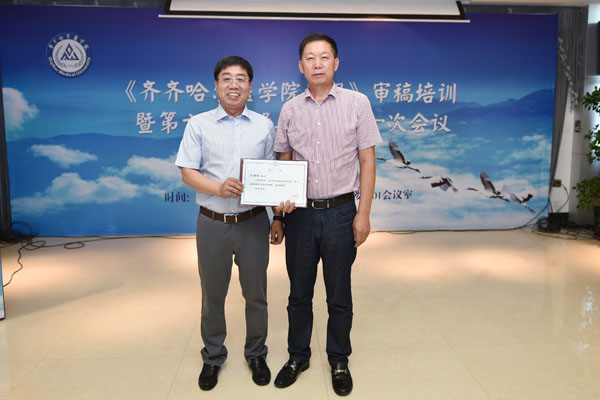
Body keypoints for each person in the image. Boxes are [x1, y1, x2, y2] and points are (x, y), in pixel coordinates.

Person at [273, 33, 382, 396]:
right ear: (300, 65)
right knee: (298, 293)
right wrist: (279, 213)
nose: (317, 64)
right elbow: (284, 162)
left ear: (336, 63)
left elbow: (367, 161)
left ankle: (339, 359)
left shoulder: (357, 103)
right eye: (310, 58)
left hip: (340, 213)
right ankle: (297, 356)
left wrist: (363, 214)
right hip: (301, 215)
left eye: (324, 57)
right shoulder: (290, 108)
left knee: (339, 293)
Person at [175, 56, 284, 391]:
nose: (233, 85)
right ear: (216, 85)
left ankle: (256, 354)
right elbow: (187, 172)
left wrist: (278, 216)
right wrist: (218, 188)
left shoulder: (264, 126)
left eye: (240, 79)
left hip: (253, 222)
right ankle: (212, 356)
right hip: (213, 223)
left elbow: (274, 175)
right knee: (212, 295)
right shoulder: (198, 124)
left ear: (250, 86)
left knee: (257, 294)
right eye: (226, 78)